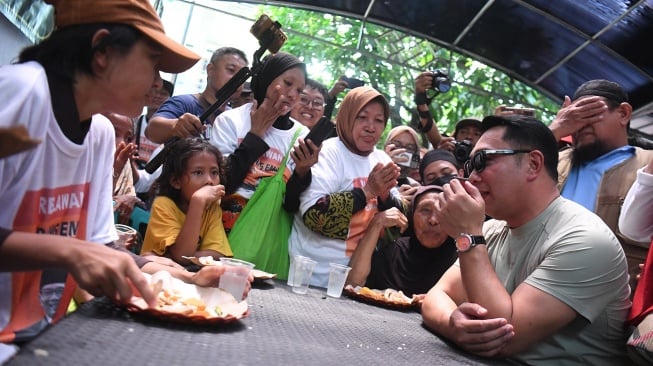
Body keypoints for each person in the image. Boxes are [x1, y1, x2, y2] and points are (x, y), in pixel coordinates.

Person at [0, 0, 247, 345]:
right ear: (102, 51)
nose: (157, 81)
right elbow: (81, 251)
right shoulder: (19, 94)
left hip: (38, 338)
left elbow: (100, 246)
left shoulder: (99, 134)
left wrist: (186, 280)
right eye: (152, 62)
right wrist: (67, 251)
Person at [421, 115, 631, 364]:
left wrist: (467, 235)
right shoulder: (491, 230)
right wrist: (452, 324)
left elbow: (503, 339)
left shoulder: (586, 239)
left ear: (533, 164)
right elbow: (436, 296)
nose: (472, 177)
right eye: (469, 167)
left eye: (482, 161)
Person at [289, 86, 401, 288]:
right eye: (362, 117)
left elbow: (397, 223)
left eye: (378, 120)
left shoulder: (382, 160)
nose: (370, 127)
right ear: (347, 117)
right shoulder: (329, 152)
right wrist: (368, 192)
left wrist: (385, 197)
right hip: (307, 275)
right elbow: (314, 216)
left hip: (352, 281)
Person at [551, 79, 653, 292]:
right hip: (542, 286)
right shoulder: (551, 161)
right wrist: (554, 131)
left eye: (589, 113)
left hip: (617, 302)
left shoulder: (648, 165)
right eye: (573, 117)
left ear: (623, 114)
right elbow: (505, 180)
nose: (579, 124)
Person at [210, 51, 319, 232]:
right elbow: (220, 184)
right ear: (267, 78)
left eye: (299, 90)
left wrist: (302, 172)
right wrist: (256, 134)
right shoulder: (231, 120)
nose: (292, 94)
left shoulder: (301, 135)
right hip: (218, 233)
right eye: (287, 83)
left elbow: (291, 206)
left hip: (265, 238)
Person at [347, 185, 456, 298]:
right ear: (411, 216)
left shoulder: (460, 262)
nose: (433, 220)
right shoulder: (394, 252)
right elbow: (352, 285)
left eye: (442, 212)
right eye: (425, 210)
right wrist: (376, 224)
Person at [140, 137, 232, 266]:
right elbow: (183, 256)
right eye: (198, 172)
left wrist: (174, 257)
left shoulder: (211, 208)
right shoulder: (163, 205)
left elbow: (217, 254)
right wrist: (198, 202)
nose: (209, 180)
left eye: (214, 172)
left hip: (193, 276)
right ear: (176, 181)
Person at [145, 46, 248, 143]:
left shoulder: (237, 117)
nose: (238, 79)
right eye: (231, 70)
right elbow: (152, 129)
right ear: (210, 70)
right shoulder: (185, 103)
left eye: (243, 75)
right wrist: (175, 125)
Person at [107, 113, 143, 225]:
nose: (122, 142)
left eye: (128, 138)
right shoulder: (82, 162)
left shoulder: (125, 162)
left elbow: (131, 193)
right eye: (113, 132)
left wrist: (132, 199)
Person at [134, 79, 174, 167]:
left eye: (163, 93)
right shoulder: (133, 123)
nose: (157, 96)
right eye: (154, 92)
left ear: (170, 99)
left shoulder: (172, 130)